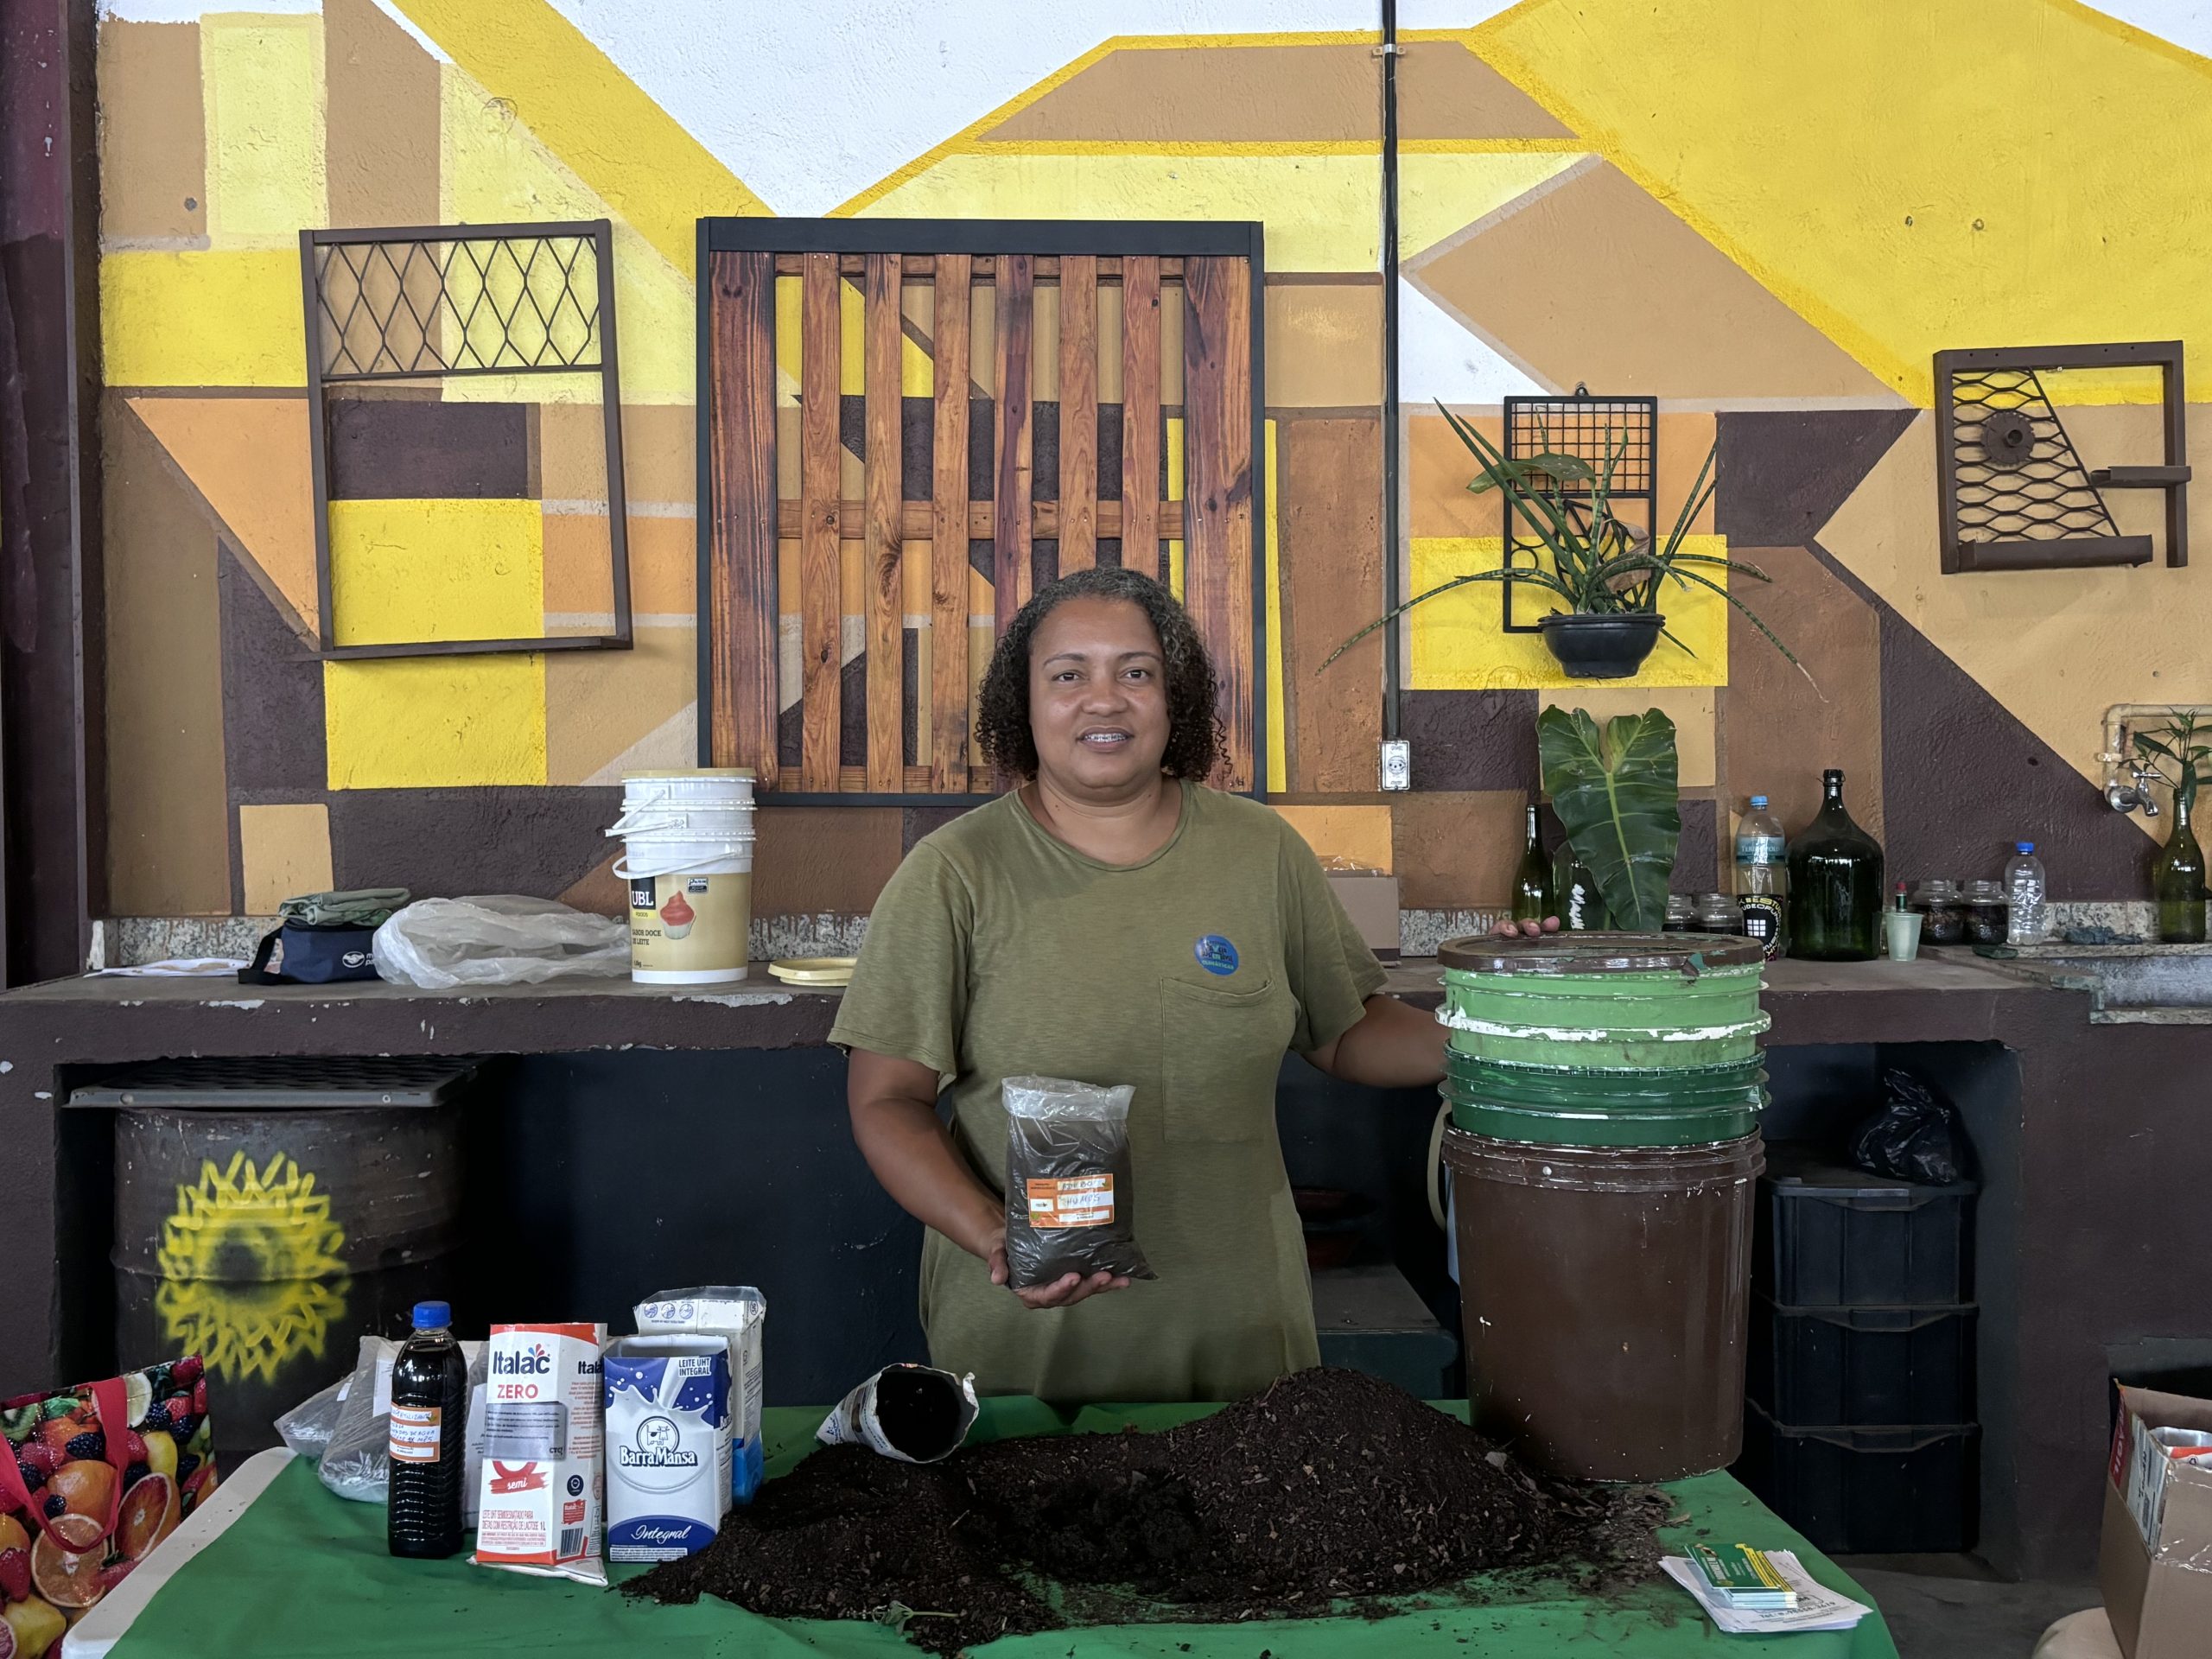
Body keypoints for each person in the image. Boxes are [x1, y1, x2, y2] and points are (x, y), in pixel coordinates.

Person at [834, 566, 1508, 1403]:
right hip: (1029, 1351)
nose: (1104, 699)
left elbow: (1346, 1031)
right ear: (1024, 702)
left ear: (1173, 697)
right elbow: (887, 1101)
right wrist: (990, 1234)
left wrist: (1509, 1028)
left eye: (1136, 671)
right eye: (1067, 675)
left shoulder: (1259, 850)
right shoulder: (954, 874)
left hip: (1243, 1339)